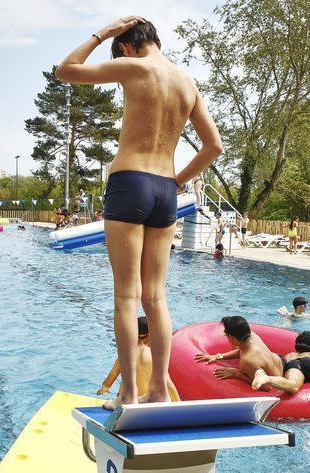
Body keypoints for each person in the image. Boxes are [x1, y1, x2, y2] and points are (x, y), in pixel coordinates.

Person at [57, 16, 222, 407]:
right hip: (165, 189)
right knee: (157, 298)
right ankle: (159, 391)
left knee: (127, 297)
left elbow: (66, 70)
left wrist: (102, 34)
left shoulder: (133, 66)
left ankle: (129, 392)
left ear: (128, 46)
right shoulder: (187, 83)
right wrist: (177, 181)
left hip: (130, 181)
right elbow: (213, 147)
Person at [97, 316, 178, 400]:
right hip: (145, 400)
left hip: (125, 398)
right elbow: (168, 384)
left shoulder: (126, 354)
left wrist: (105, 387)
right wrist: (178, 403)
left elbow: (114, 372)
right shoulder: (154, 356)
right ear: (150, 334)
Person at [194, 316, 283, 387]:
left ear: (231, 337)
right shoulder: (252, 336)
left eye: (226, 334)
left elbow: (266, 386)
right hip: (281, 365)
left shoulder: (247, 361)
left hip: (277, 384)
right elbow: (241, 351)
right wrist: (218, 356)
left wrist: (237, 373)